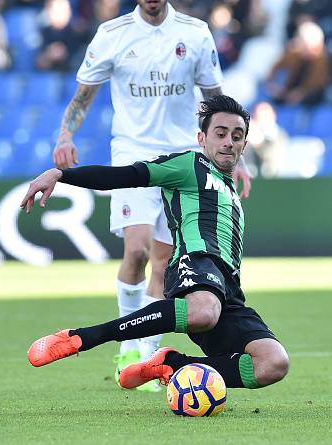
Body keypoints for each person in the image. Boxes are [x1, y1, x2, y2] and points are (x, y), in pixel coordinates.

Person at [22, 95, 289, 393]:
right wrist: (62, 174)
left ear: (244, 145)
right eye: (221, 133)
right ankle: (84, 337)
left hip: (228, 289)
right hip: (195, 263)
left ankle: (173, 364)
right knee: (203, 311)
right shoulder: (190, 164)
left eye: (237, 137)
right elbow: (127, 175)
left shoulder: (231, 191)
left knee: (273, 363)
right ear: (202, 138)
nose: (229, 142)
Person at [51, 0, 253, 392]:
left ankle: (147, 357)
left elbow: (214, 94)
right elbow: (84, 94)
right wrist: (65, 134)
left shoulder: (195, 33)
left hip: (187, 156)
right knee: (138, 250)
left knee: (165, 259)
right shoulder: (113, 34)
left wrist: (236, 159)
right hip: (134, 151)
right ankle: (126, 347)